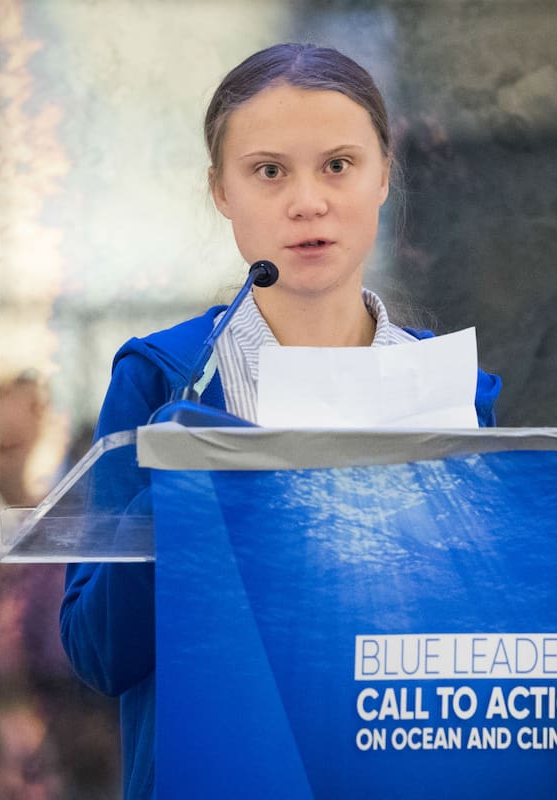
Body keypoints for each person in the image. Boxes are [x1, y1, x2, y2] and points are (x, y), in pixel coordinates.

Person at [59, 42, 502, 799]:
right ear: (220, 191)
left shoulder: (451, 390)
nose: (307, 201)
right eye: (269, 171)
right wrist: (171, 486)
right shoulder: (161, 379)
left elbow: (489, 629)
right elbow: (99, 653)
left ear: (385, 174)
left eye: (338, 165)